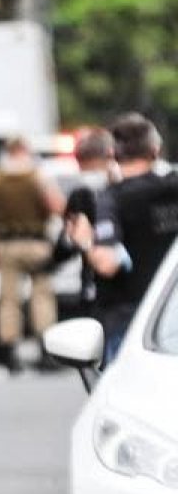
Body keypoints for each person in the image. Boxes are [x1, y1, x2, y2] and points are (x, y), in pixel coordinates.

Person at [68, 113, 178, 362]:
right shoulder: (174, 186)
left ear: (112, 154)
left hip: (130, 319)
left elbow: (108, 263)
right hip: (171, 313)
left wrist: (85, 240)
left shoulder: (112, 199)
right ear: (155, 149)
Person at [0, 135, 64, 372]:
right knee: (42, 295)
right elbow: (56, 205)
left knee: (8, 300)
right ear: (25, 149)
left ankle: (9, 350)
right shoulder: (37, 176)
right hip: (36, 243)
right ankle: (45, 348)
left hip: (6, 244)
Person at [52, 129, 116, 318]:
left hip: (97, 288)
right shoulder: (118, 189)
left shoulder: (82, 194)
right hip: (121, 290)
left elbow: (63, 249)